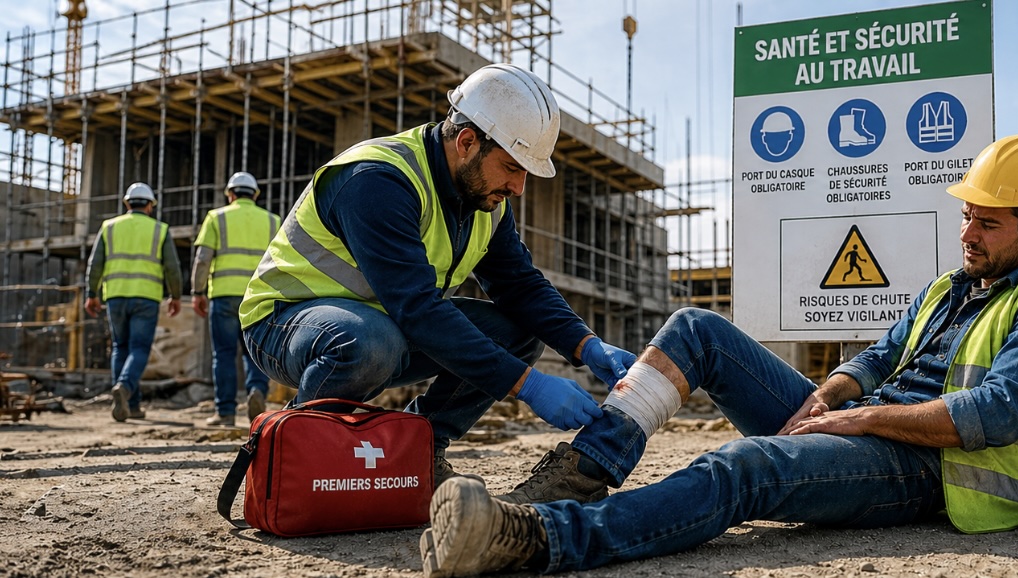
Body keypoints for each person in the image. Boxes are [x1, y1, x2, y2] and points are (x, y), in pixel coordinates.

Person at [420, 135, 1018, 576]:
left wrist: (858, 422)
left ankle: (541, 536)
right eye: (965, 216)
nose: (968, 233)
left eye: (987, 223)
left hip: (936, 474)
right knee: (696, 328)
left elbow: (996, 414)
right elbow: (882, 354)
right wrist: (835, 392)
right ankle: (583, 468)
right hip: (872, 427)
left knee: (746, 466)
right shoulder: (952, 287)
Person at [239, 63, 636, 489]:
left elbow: (519, 284)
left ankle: (419, 448)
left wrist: (587, 345)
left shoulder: (486, 201)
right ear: (467, 142)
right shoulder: (378, 180)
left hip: (383, 323)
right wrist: (528, 386)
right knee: (370, 341)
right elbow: (416, 307)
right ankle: (296, 451)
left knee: (517, 333)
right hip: (285, 323)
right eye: (512, 167)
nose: (519, 187)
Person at [84, 182, 183, 422]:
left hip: (116, 296)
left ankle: (133, 405)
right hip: (146, 297)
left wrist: (91, 294)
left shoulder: (109, 227)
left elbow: (94, 264)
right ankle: (125, 388)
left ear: (127, 204)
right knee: (139, 349)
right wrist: (176, 295)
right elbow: (172, 267)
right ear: (150, 206)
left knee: (121, 348)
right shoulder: (159, 229)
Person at [191, 172, 281, 426]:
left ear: (230, 194)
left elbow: (202, 259)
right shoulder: (273, 221)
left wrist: (197, 292)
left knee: (224, 354)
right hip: (258, 297)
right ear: (255, 195)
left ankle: (226, 411)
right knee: (255, 352)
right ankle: (257, 391)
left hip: (223, 296)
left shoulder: (216, 218)